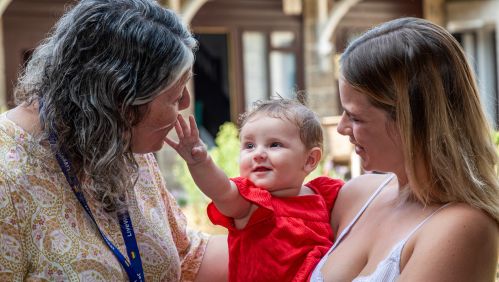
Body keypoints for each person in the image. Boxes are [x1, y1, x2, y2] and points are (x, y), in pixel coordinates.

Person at [0, 0, 228, 281]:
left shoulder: (116, 140)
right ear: (120, 100)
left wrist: (289, 232)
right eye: (175, 95)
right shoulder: (6, 176)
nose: (186, 103)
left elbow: (185, 255)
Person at [309, 17, 499, 281]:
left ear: (412, 124)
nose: (341, 128)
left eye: (356, 117)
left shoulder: (461, 228)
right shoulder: (356, 195)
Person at [166, 96, 343, 282]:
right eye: (249, 146)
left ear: (310, 160)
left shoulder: (323, 195)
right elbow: (221, 190)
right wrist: (200, 162)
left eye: (274, 144)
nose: (258, 154)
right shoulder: (251, 204)